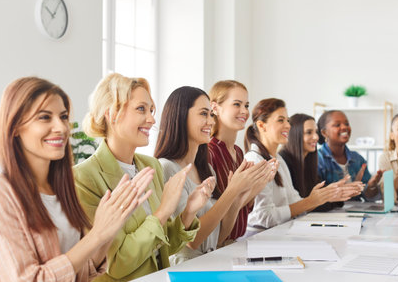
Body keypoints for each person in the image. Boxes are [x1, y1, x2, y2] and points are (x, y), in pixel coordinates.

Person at [0, 77, 152, 281]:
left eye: (63, 116)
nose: (61, 127)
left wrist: (109, 229)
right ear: (14, 127)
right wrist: (97, 234)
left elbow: (83, 272)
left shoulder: (61, 187)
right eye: (44, 117)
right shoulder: (1, 194)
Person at [74, 74, 211, 281]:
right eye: (141, 109)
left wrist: (188, 213)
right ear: (112, 113)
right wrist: (163, 211)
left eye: (151, 110)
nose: (152, 119)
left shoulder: (150, 165)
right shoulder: (83, 178)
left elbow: (163, 248)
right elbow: (117, 264)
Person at [155, 86, 273, 264]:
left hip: (211, 260)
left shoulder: (206, 169)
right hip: (184, 268)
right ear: (180, 116)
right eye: (203, 114)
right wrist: (232, 191)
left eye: (211, 114)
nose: (210, 121)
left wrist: (239, 197)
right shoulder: (166, 168)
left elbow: (219, 237)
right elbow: (192, 241)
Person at [244, 100, 362, 234]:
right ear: (261, 125)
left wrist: (326, 195)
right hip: (260, 239)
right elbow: (263, 217)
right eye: (281, 120)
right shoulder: (254, 160)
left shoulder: (278, 159)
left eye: (287, 120)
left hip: (280, 234)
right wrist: (312, 201)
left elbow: (295, 201)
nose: (288, 125)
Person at [208, 80, 275, 242]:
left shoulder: (238, 153)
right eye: (237, 104)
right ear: (215, 108)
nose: (244, 111)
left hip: (235, 242)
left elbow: (241, 206)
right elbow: (216, 211)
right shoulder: (208, 152)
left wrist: (255, 187)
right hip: (214, 246)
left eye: (246, 105)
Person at [279, 113, 363, 212]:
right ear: (294, 135)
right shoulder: (283, 162)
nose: (316, 137)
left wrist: (337, 192)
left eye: (316, 132)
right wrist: (327, 197)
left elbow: (317, 202)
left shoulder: (308, 162)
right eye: (309, 132)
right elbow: (302, 205)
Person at [317, 110, 382, 202]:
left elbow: (368, 197)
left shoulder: (357, 159)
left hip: (355, 213)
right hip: (329, 213)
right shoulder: (318, 159)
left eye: (346, 124)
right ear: (324, 132)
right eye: (337, 125)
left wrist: (371, 186)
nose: (344, 127)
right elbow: (318, 198)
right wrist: (344, 190)